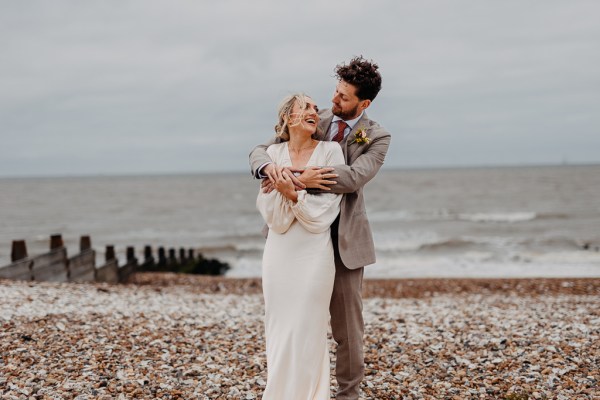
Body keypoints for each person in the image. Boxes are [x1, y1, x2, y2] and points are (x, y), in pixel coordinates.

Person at [250, 56, 390, 400]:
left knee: (347, 329)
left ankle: (347, 394)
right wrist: (272, 168)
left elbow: (355, 178)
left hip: (342, 242)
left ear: (364, 102)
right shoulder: (313, 118)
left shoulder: (376, 136)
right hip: (292, 239)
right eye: (335, 91)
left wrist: (296, 179)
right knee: (291, 320)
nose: (333, 101)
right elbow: (260, 150)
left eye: (343, 97)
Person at [256, 93, 344, 399]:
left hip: (314, 252)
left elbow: (324, 212)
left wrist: (291, 190)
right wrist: (301, 182)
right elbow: (273, 216)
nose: (314, 111)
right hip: (279, 252)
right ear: (288, 117)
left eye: (314, 108)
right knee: (279, 326)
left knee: (308, 326)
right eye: (305, 107)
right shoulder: (273, 154)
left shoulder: (332, 151)